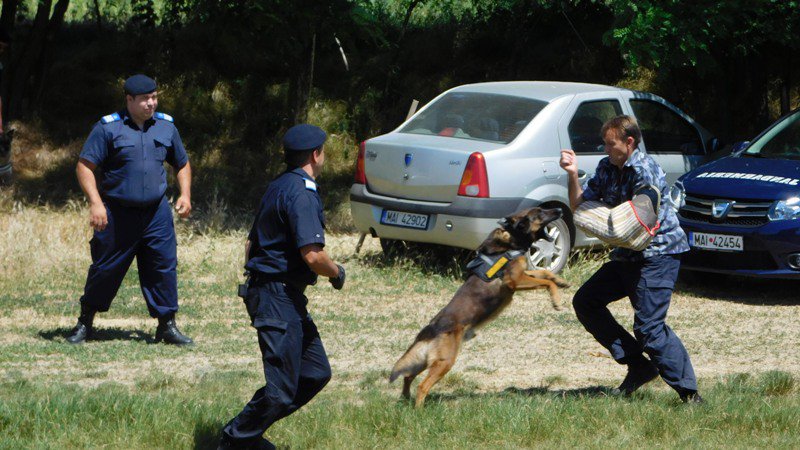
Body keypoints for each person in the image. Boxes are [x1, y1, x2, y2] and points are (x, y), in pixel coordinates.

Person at [218, 124, 346, 449]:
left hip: (281, 295)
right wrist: (336, 272)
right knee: (280, 391)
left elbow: (250, 244)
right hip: (276, 297)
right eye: (324, 152)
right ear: (315, 155)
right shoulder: (303, 193)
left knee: (315, 371)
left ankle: (247, 433)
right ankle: (234, 440)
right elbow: (313, 255)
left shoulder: (278, 186)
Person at [559, 115, 702, 403]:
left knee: (649, 328)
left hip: (657, 255)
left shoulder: (645, 169)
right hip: (627, 255)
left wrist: (615, 219)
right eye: (604, 143)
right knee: (586, 301)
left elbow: (645, 208)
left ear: (629, 142)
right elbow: (579, 204)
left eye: (610, 144)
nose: (605, 149)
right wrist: (572, 174)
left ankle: (690, 394)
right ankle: (638, 366)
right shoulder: (606, 168)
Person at [66, 74, 193, 346]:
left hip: (156, 213)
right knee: (105, 268)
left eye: (154, 97)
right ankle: (85, 322)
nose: (151, 103)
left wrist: (185, 194)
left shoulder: (166, 127)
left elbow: (181, 163)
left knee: (163, 266)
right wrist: (95, 202)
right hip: (117, 212)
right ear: (129, 100)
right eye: (145, 99)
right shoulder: (108, 128)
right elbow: (85, 166)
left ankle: (167, 325)